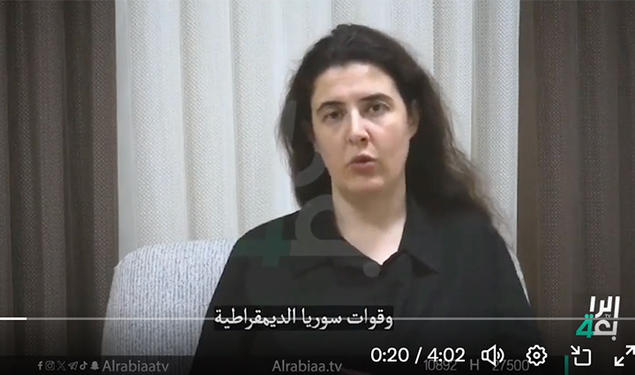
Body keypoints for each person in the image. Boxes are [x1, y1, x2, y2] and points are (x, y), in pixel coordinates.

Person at [190, 24, 541, 374]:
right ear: (312, 135)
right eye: (333, 114)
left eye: (375, 108)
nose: (356, 132)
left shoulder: (474, 247)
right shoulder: (258, 258)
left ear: (412, 119)